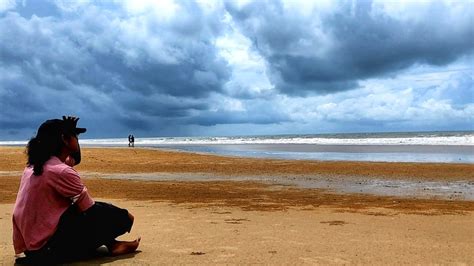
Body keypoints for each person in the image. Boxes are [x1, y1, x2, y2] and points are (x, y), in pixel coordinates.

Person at [12, 116, 140, 264]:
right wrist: (123, 217)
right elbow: (91, 210)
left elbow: (74, 160)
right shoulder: (60, 171)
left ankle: (113, 244)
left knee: (76, 209)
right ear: (65, 139)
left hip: (31, 246)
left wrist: (70, 131)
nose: (78, 139)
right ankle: (112, 244)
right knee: (120, 217)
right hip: (46, 249)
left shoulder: (34, 165)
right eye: (75, 136)